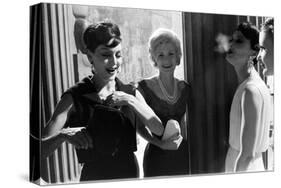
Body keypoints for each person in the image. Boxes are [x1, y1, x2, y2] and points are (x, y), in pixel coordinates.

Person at [41, 20, 165, 181]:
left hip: (129, 175)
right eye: (106, 55)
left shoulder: (130, 92)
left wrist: (131, 100)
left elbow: (159, 130)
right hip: (94, 178)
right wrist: (63, 135)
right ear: (90, 56)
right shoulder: (74, 97)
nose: (114, 62)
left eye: (118, 54)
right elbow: (40, 150)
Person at [136, 28, 191, 177]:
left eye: (171, 54)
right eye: (160, 55)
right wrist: (160, 144)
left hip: (182, 156)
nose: (166, 60)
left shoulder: (185, 88)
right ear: (154, 59)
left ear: (178, 57)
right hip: (156, 159)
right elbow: (139, 127)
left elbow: (185, 124)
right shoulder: (144, 87)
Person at [224, 22, 271, 172]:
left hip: (245, 168)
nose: (230, 44)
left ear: (254, 51)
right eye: (231, 40)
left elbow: (247, 155)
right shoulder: (250, 85)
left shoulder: (250, 90)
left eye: (238, 41)